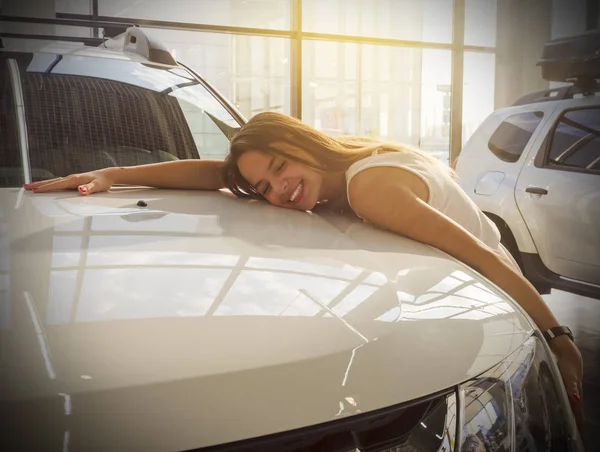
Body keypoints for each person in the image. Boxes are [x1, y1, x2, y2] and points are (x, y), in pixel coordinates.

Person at [24, 111, 584, 429]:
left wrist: (558, 335)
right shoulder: (352, 163)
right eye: (264, 187)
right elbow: (215, 174)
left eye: (280, 168)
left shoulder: (371, 189)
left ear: (300, 144)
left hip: (503, 313)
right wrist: (116, 174)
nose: (279, 191)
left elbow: (480, 257)